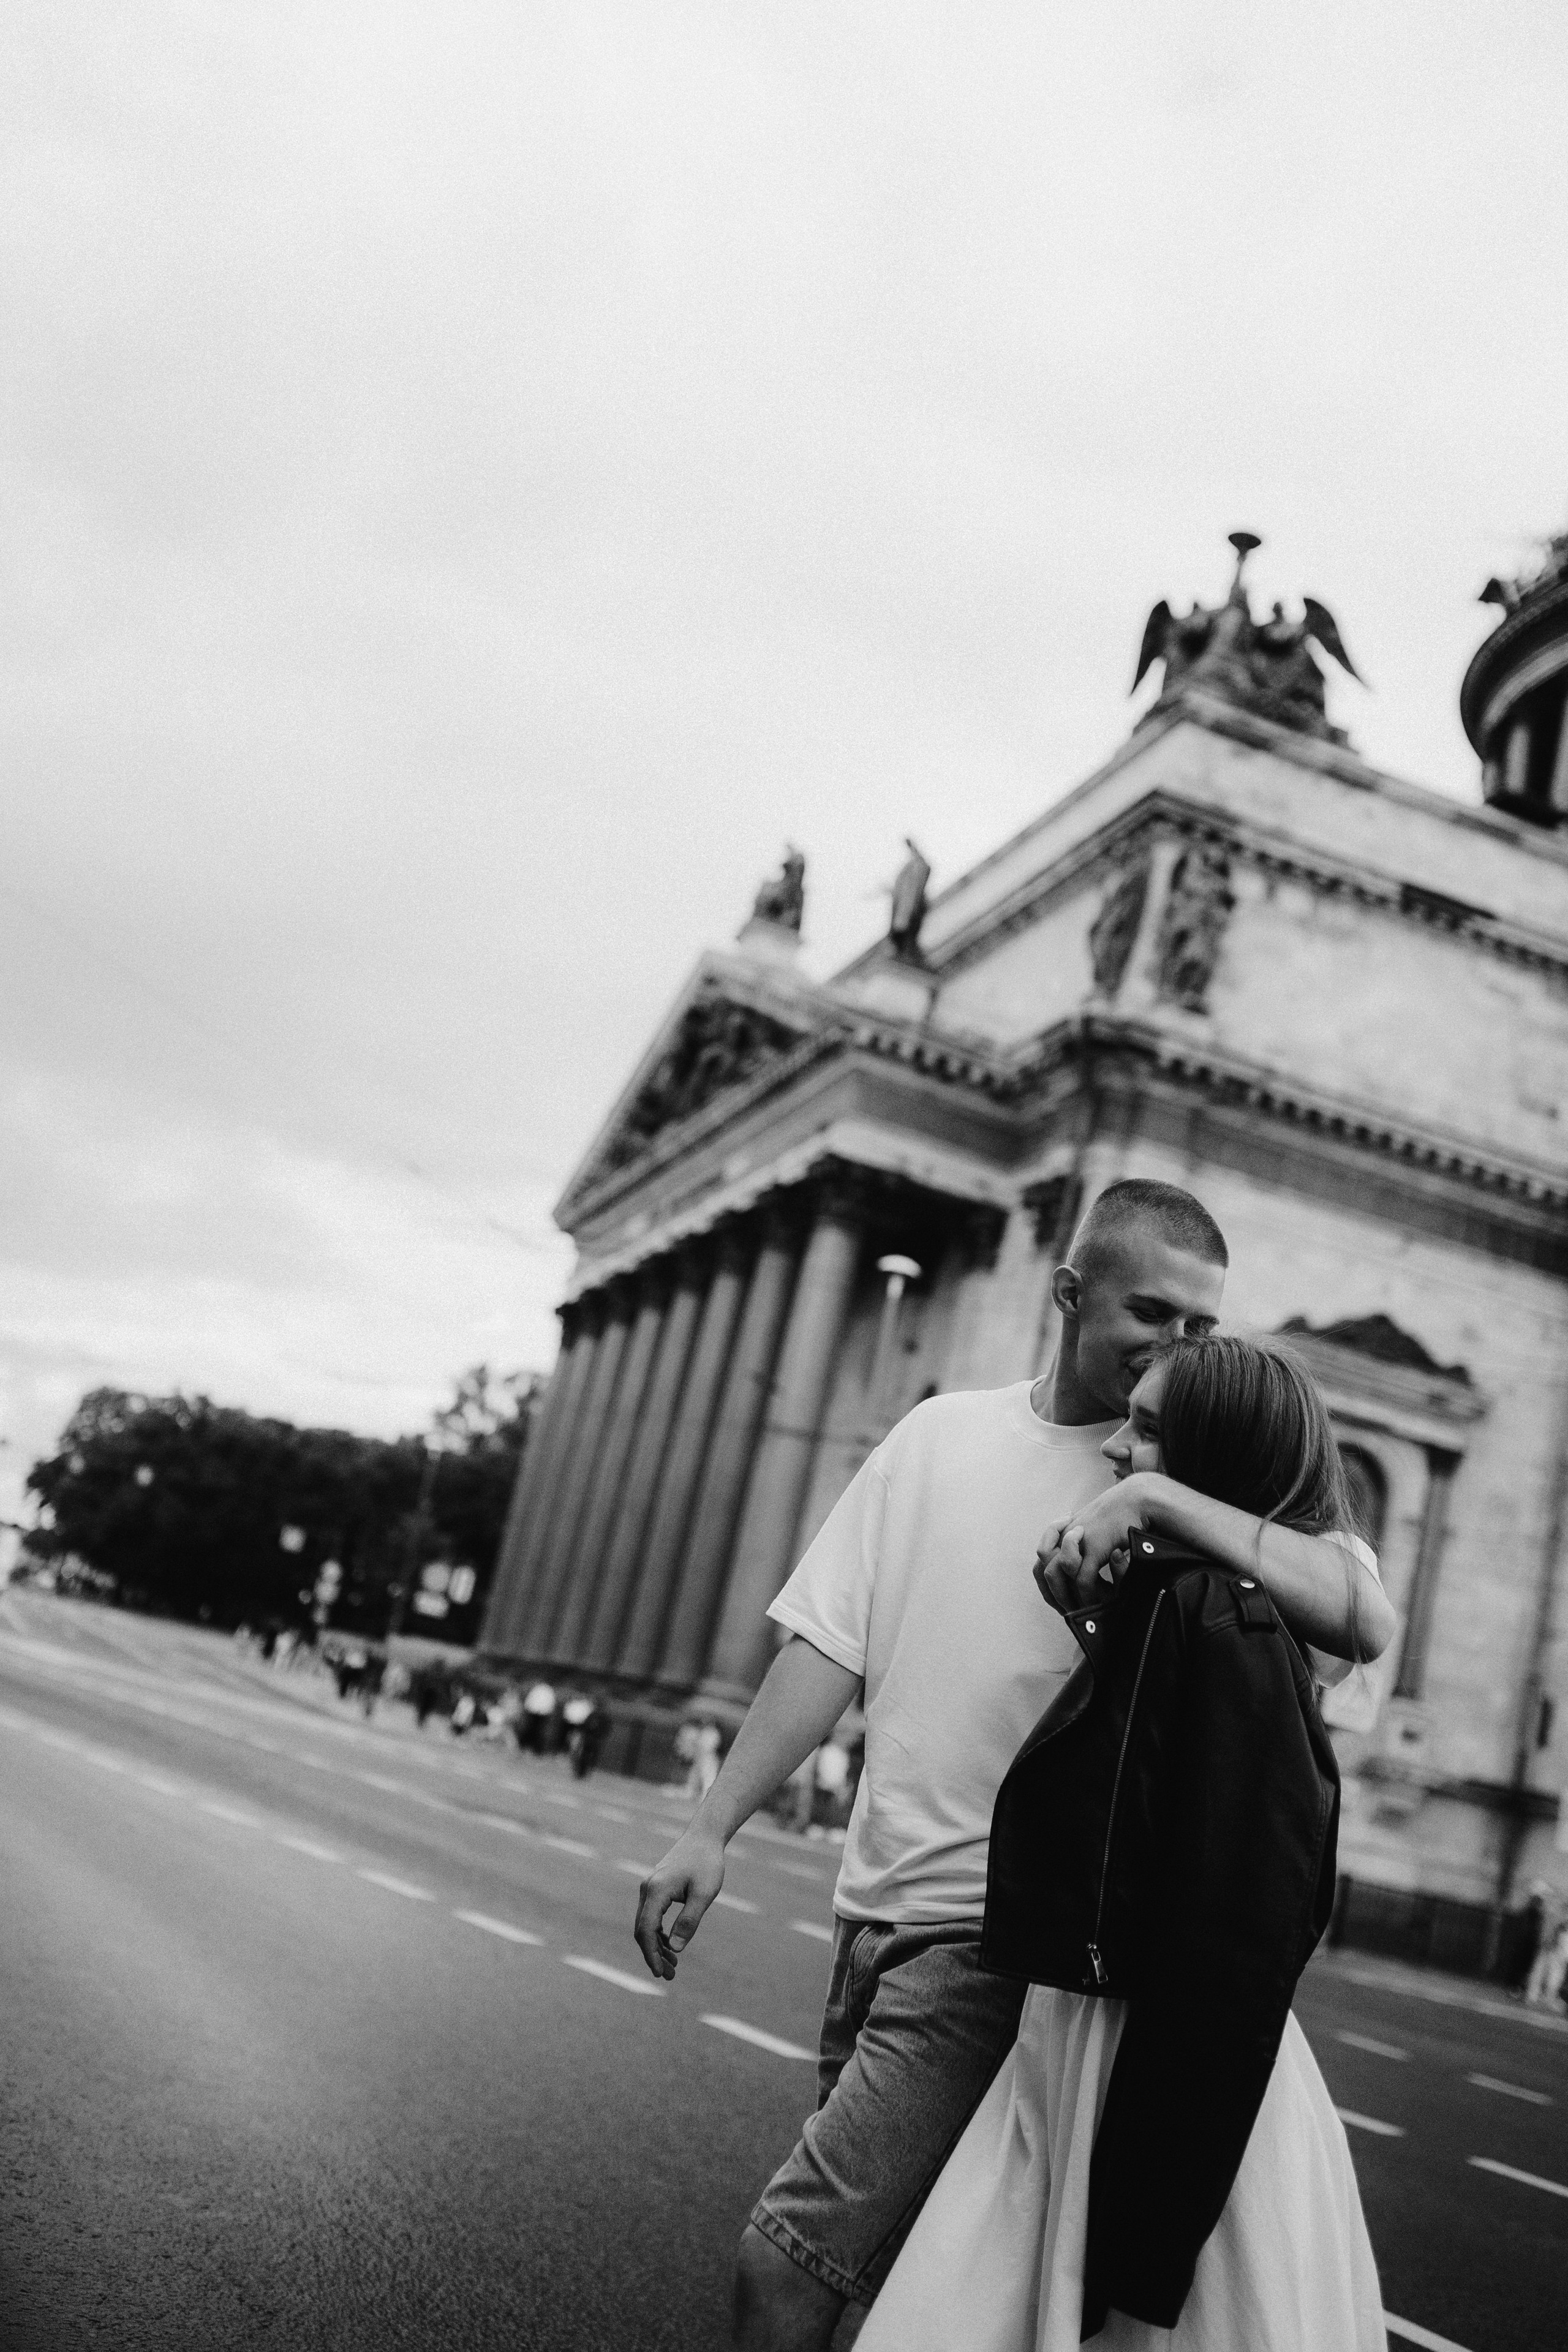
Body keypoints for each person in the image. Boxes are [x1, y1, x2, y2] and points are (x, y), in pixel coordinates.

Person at [631, 1178, 1393, 2351]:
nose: (1182, 1346)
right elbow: (829, 1643)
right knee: (922, 2292)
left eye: (1203, 1323)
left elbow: (1360, 1607)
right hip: (871, 1920)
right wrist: (712, 1827)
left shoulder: (1202, 1467)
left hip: (991, 1949)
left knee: (787, 2264)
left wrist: (1151, 1491)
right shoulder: (940, 1435)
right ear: (1069, 1290)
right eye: (1155, 1314)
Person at [857, 1336, 1386, 2351]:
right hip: (1083, 2045)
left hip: (1146, 2070)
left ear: (1213, 1464)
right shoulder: (1179, 1603)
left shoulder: (1219, 1614)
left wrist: (1138, 2248)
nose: (1114, 1448)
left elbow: (1237, 1935)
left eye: (1148, 1431)